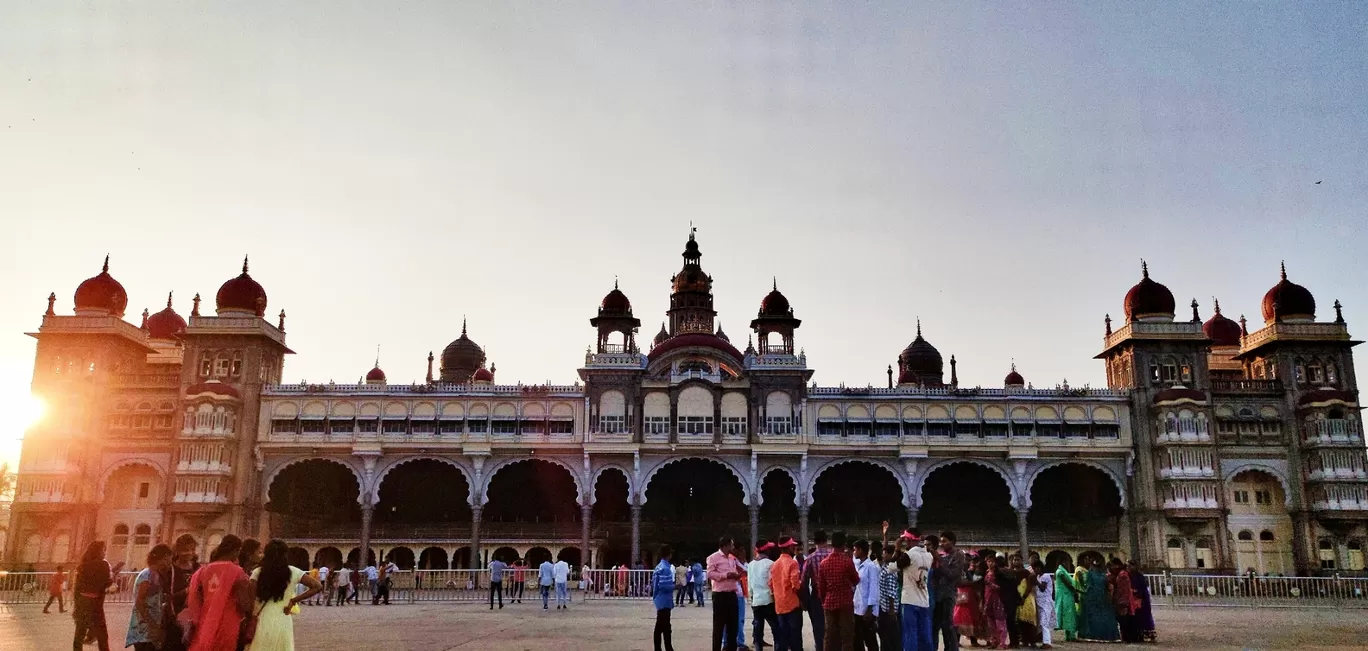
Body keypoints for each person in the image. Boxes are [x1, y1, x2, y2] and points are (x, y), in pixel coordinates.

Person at [247, 539, 325, 651]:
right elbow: (317, 586)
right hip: (283, 618)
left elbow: (251, 598)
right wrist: (293, 601)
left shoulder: (258, 572)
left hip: (262, 619)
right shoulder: (293, 572)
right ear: (285, 554)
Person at [183, 535, 253, 651]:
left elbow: (194, 598)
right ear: (237, 551)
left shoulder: (202, 571)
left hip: (205, 623)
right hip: (228, 623)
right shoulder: (237, 572)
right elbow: (244, 603)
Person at [73, 540, 125, 651]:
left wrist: (76, 606)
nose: (104, 553)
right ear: (98, 551)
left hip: (82, 602)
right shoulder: (103, 564)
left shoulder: (83, 565)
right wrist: (113, 580)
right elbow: (106, 583)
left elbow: (77, 588)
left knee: (79, 634)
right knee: (102, 636)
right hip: (95, 604)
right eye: (103, 550)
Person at [815, 531, 859, 651]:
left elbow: (821, 587)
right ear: (844, 545)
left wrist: (824, 601)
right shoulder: (847, 561)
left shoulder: (824, 563)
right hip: (845, 602)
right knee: (846, 635)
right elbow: (856, 580)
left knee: (830, 635)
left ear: (832, 544)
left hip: (829, 602)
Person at [126, 545, 173, 651]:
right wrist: (152, 625)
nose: (170, 565)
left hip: (149, 629)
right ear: (163, 558)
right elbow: (140, 603)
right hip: (143, 629)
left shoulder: (155, 575)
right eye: (169, 561)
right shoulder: (147, 575)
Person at [161, 534, 201, 651]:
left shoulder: (197, 568)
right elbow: (165, 596)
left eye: (192, 549)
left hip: (193, 617)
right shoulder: (170, 570)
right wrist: (185, 592)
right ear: (177, 550)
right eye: (185, 550)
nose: (189, 553)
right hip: (174, 618)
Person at [931, 533, 966, 651]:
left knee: (948, 626)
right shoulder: (944, 557)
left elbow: (952, 574)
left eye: (944, 541)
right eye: (941, 542)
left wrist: (938, 559)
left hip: (949, 595)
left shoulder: (959, 555)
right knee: (935, 626)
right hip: (938, 594)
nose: (942, 544)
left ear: (953, 541)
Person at [708, 536, 743, 651]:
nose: (733, 547)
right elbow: (710, 574)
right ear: (725, 545)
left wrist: (737, 576)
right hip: (720, 595)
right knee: (719, 626)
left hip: (732, 594)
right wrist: (725, 576)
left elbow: (735, 572)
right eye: (731, 545)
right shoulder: (713, 558)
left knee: (733, 626)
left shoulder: (732, 559)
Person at [900, 532, 933, 651]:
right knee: (925, 633)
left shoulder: (908, 555)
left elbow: (894, 566)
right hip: (924, 600)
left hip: (910, 600)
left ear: (909, 540)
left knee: (910, 633)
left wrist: (897, 548)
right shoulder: (929, 556)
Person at [801, 530, 832, 651]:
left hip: (817, 593)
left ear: (814, 542)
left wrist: (804, 600)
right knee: (832, 623)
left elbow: (803, 581)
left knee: (818, 625)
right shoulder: (832, 555)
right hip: (831, 592)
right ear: (826, 540)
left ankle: (820, 647)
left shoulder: (810, 558)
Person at [1076, 558, 1118, 642]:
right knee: (1104, 616)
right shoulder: (1103, 575)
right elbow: (1107, 587)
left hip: (1091, 598)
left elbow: (1088, 586)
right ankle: (1108, 636)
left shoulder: (1090, 574)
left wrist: (1081, 589)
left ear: (1092, 566)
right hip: (1103, 598)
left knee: (1091, 617)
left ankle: (1090, 634)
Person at [852, 539, 881, 651]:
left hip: (867, 608)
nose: (854, 552)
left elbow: (874, 588)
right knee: (857, 637)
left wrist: (870, 608)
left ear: (860, 550)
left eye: (855, 550)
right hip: (858, 606)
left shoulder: (871, 567)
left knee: (869, 638)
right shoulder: (859, 565)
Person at [750, 542, 778, 651]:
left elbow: (750, 585)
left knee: (758, 627)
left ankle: (758, 648)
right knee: (775, 627)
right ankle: (778, 647)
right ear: (766, 550)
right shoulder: (771, 563)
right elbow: (772, 583)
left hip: (756, 600)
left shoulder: (751, 564)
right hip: (769, 600)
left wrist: (752, 597)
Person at [980, 555, 1008, 650]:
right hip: (988, 599)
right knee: (990, 623)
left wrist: (991, 585)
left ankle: (1002, 643)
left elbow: (1002, 587)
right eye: (988, 561)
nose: (990, 563)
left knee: (1000, 621)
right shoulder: (987, 572)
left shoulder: (999, 573)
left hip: (998, 599)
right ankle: (994, 641)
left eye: (992, 561)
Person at [653, 544, 678, 651]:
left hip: (659, 599)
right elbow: (664, 586)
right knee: (665, 627)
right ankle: (668, 647)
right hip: (664, 600)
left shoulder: (658, 567)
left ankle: (660, 648)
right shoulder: (666, 568)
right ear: (669, 554)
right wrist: (675, 586)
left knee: (660, 627)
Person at [995, 555, 1021, 649]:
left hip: (1003, 598)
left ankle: (1010, 641)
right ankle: (1015, 642)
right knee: (1012, 621)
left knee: (1005, 621)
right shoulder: (1011, 572)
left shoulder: (999, 572)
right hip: (1012, 598)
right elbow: (1016, 584)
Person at [1126, 560, 1156, 643]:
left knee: (1142, 617)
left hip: (1141, 599)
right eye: (1127, 566)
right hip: (1132, 599)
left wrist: (1137, 593)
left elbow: (1142, 588)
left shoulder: (1139, 576)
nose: (1128, 568)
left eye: (1130, 566)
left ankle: (1144, 634)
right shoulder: (1128, 576)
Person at [1109, 559, 1137, 643]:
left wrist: (1121, 601)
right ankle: (1127, 637)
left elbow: (1123, 590)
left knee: (1124, 619)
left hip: (1123, 601)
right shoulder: (1122, 574)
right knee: (1124, 619)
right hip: (1123, 600)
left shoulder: (1122, 575)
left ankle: (1127, 638)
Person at [1051, 561, 1079, 642]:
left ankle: (1069, 635)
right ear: (1063, 563)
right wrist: (1075, 591)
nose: (1068, 564)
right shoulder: (1061, 572)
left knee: (1067, 615)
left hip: (1065, 595)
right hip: (1065, 596)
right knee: (1069, 615)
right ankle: (1071, 636)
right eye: (1066, 563)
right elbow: (1068, 584)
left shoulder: (1060, 571)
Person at [1030, 561, 1054, 650]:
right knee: (1041, 623)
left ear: (1040, 567)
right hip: (1040, 603)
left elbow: (1043, 588)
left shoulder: (1045, 576)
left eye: (1037, 568)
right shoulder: (1039, 576)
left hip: (1046, 603)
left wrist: (1036, 581)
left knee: (1044, 623)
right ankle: (1044, 641)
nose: (1035, 570)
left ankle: (1047, 643)